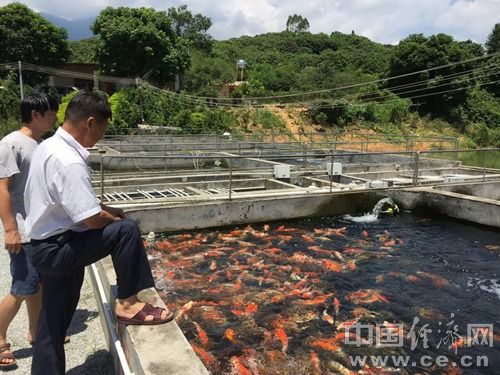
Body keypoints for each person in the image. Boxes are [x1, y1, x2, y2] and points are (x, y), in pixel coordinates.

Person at [23, 91, 173, 375]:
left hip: (43, 245)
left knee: (52, 322)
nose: (100, 138)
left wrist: (106, 210)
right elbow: (92, 220)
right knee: (126, 230)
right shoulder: (68, 160)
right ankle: (128, 304)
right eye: (101, 131)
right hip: (58, 248)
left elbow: (69, 199)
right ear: (90, 123)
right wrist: (112, 217)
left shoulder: (48, 146)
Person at [0, 93, 58, 369]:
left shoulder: (41, 143)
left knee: (38, 284)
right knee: (22, 287)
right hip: (22, 231)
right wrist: (10, 229)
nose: (55, 117)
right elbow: (2, 188)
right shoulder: (11, 144)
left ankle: (36, 332)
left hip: (39, 229)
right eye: (51, 112)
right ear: (35, 114)